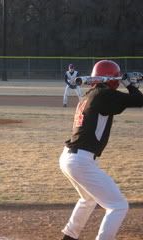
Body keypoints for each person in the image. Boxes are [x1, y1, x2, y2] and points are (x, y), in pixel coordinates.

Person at [59, 60, 143, 240]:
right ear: (113, 78)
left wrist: (128, 85)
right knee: (118, 205)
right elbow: (139, 100)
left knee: (88, 199)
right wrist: (128, 84)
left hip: (70, 157)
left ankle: (69, 236)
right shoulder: (104, 95)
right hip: (81, 160)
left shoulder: (90, 94)